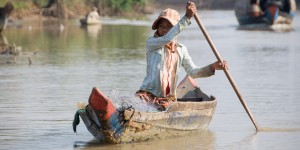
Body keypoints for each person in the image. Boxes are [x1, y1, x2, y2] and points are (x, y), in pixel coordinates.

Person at [136, 1, 228, 111]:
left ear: (175, 30)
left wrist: (212, 67)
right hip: (147, 94)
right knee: (138, 104)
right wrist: (187, 17)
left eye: (169, 27)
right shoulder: (152, 43)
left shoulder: (181, 49)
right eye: (162, 26)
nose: (164, 30)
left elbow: (193, 72)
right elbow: (167, 39)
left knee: (167, 108)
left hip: (167, 99)